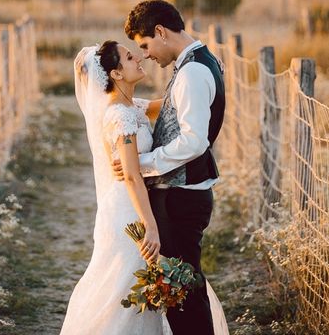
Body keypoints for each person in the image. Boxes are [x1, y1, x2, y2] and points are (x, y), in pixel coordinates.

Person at [61, 37, 228, 334]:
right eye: (128, 57)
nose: (138, 58)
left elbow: (174, 102)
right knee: (123, 284)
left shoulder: (132, 107)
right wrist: (150, 227)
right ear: (116, 74)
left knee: (139, 282)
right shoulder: (120, 115)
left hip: (138, 202)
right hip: (130, 209)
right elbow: (131, 175)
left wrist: (209, 74)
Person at [115, 0, 227, 335]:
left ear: (161, 32)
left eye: (146, 44)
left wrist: (143, 163)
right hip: (183, 194)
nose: (146, 54)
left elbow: (194, 141)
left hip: (181, 198)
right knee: (182, 290)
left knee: (182, 294)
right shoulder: (197, 62)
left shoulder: (193, 70)